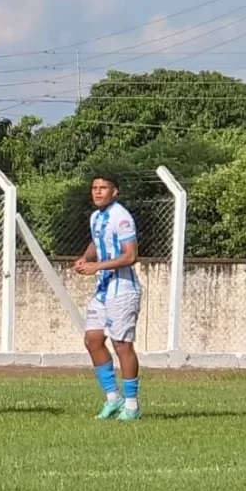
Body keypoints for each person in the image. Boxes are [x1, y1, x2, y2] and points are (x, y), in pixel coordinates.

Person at [74, 174, 142, 421]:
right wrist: (86, 258)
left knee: (122, 345)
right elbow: (97, 240)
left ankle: (132, 405)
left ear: (115, 191)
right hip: (103, 290)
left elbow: (130, 255)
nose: (98, 192)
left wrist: (98, 266)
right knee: (92, 339)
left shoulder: (121, 217)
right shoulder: (96, 217)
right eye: (94, 188)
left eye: (103, 188)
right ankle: (113, 399)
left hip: (123, 289)